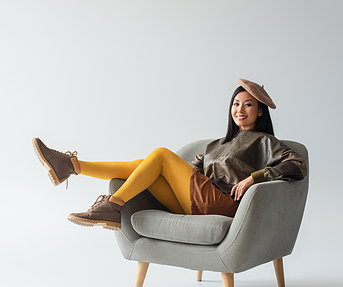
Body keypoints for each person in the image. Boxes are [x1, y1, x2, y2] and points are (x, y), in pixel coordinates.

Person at [33, 79, 307, 230]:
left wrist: (253, 178)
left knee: (161, 155)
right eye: (236, 103)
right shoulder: (216, 145)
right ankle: (71, 166)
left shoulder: (265, 141)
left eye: (248, 105)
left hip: (222, 203)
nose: (240, 110)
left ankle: (111, 203)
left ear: (260, 112)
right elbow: (185, 172)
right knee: (146, 165)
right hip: (196, 200)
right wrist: (158, 174)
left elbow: (297, 165)